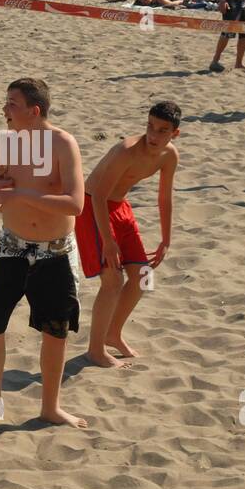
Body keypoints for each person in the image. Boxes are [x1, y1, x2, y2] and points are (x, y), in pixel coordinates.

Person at [0, 78, 87, 435]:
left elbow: (75, 204)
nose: (4, 110)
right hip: (12, 245)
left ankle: (51, 408)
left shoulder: (63, 144)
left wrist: (21, 194)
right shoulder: (11, 142)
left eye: (12, 104)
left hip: (55, 251)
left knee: (55, 332)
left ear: (34, 111)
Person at [75, 101, 180, 367]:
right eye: (150, 127)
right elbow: (98, 194)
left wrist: (166, 240)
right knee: (112, 280)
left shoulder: (170, 156)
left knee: (143, 276)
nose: (153, 136)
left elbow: (164, 199)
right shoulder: (127, 151)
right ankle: (95, 350)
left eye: (162, 130)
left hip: (120, 207)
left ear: (174, 133)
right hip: (92, 207)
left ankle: (113, 334)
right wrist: (108, 242)